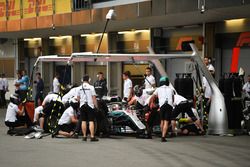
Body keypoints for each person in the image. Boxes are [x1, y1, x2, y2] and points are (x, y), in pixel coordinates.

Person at [150, 76, 174, 142]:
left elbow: (152, 97)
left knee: (162, 121)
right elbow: (173, 98)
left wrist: (152, 103)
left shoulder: (158, 89)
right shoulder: (171, 89)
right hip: (169, 105)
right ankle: (163, 136)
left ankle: (162, 133)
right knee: (166, 121)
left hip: (162, 105)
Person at [77, 75, 99, 142]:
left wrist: (81, 101)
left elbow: (78, 98)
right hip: (90, 105)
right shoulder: (91, 87)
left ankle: (84, 136)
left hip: (82, 105)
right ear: (89, 80)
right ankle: (92, 136)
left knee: (83, 120)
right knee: (91, 121)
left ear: (82, 80)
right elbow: (94, 98)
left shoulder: (79, 88)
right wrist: (96, 106)